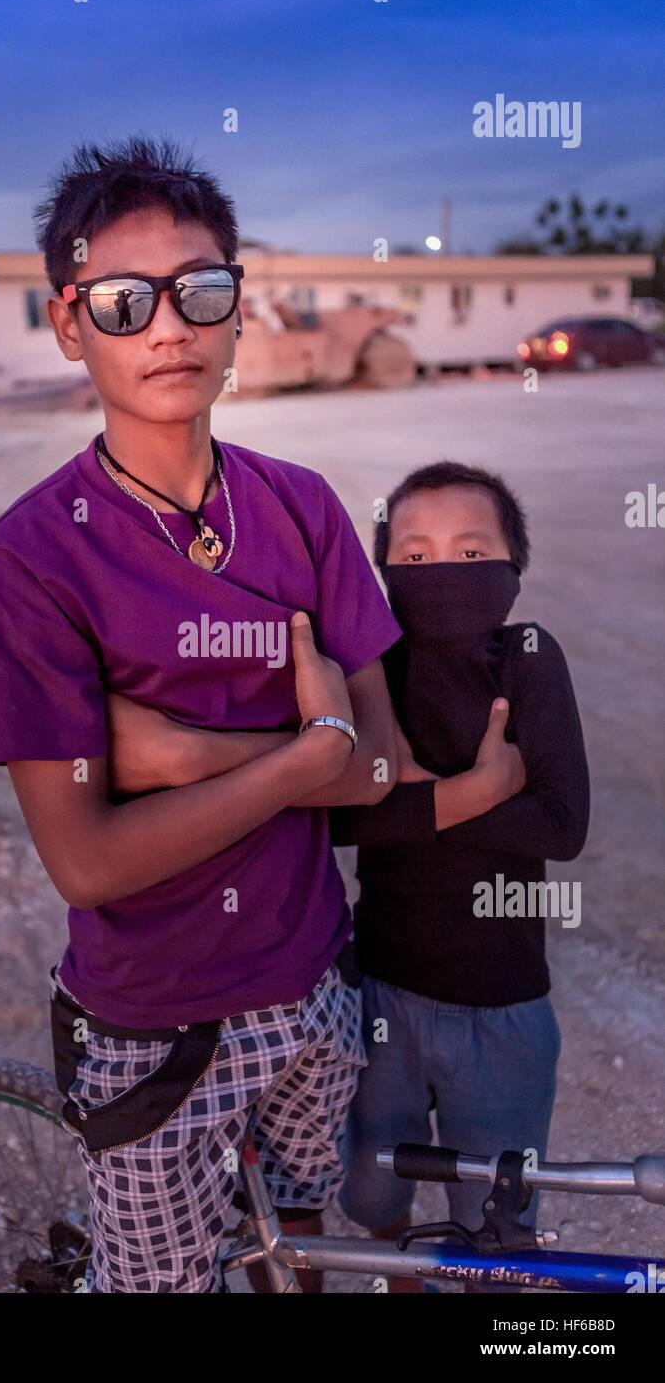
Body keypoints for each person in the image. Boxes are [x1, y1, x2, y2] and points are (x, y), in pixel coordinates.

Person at [0, 136, 402, 1293]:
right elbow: (90, 861)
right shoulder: (28, 559)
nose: (168, 325)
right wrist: (304, 750)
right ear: (69, 324)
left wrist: (179, 754)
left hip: (314, 985)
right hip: (154, 1027)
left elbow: (376, 774)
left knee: (292, 1251)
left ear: (235, 310)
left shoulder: (301, 510)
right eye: (121, 300)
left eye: (200, 289)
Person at [329, 460, 590, 1291]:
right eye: (413, 557)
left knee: (495, 1229)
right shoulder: (373, 667)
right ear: (383, 574)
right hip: (382, 999)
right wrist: (480, 789)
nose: (443, 571)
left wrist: (420, 800)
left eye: (473, 553)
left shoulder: (530, 657)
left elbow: (563, 827)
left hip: (505, 1011)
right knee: (375, 1199)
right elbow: (338, 819)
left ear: (515, 566)